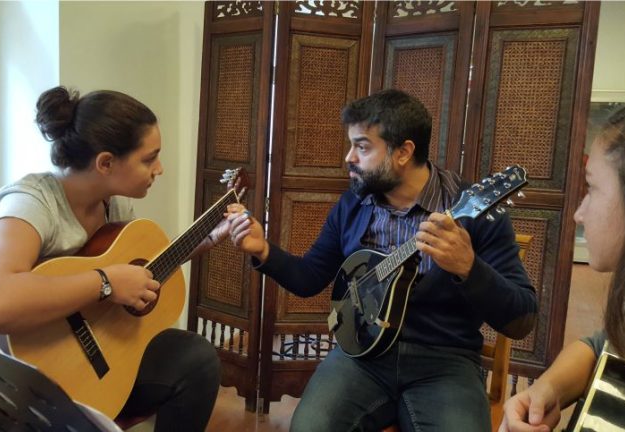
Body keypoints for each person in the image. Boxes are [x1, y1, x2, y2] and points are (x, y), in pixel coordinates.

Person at [227, 89, 538, 431]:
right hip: (361, 355)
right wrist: (263, 250)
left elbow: (521, 319)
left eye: (362, 147)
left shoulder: (472, 213)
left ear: (403, 152)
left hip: (446, 363)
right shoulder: (353, 205)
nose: (349, 158)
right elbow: (309, 277)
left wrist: (469, 268)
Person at [0, 86, 225, 432]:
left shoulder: (114, 203)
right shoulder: (31, 204)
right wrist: (105, 283)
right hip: (14, 383)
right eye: (149, 159)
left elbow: (138, 275)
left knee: (197, 358)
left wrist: (204, 240)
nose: (159, 169)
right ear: (105, 163)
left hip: (91, 370)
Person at [498, 83, 625, 432]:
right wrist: (547, 389)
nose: (579, 213)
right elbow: (601, 346)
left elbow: (517, 311)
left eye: (592, 187)